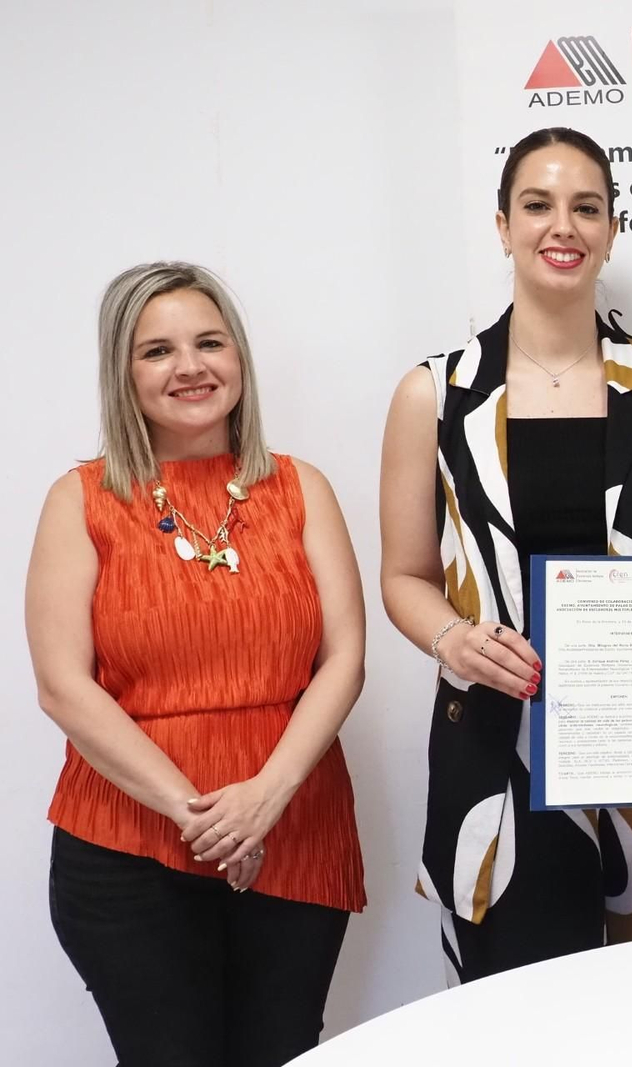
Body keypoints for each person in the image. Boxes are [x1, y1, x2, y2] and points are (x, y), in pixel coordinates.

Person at [379, 126, 632, 983]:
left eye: (587, 207)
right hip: (501, 756)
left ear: (612, 228)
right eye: (539, 204)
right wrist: (452, 639)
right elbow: (404, 578)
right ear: (503, 225)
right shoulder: (434, 394)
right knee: (517, 1026)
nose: (564, 226)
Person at [25, 262, 367, 1066]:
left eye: (209, 342)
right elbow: (62, 686)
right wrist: (204, 816)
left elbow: (345, 656)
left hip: (295, 831)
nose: (190, 367)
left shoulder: (301, 486)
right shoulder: (79, 500)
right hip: (127, 847)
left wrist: (267, 797)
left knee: (284, 1051)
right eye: (158, 350)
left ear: (239, 359)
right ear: (123, 371)